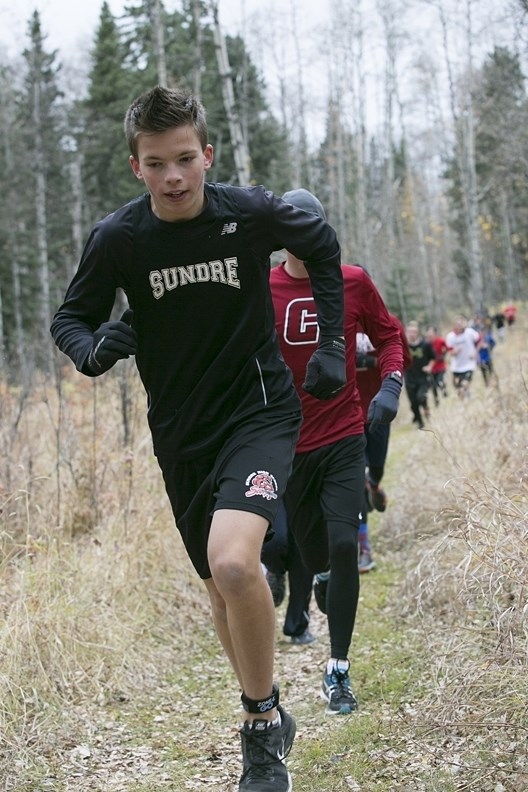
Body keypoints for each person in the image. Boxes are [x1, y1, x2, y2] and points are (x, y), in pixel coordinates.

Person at [50, 86, 349, 792]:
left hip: (259, 411)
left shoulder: (246, 213)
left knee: (237, 565)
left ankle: (257, 733)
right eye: (157, 164)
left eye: (186, 159)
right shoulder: (120, 240)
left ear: (207, 155)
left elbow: (322, 244)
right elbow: (71, 318)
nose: (175, 177)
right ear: (136, 168)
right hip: (181, 433)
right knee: (220, 587)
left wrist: (332, 342)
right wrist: (95, 349)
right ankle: (268, 711)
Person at [270, 189, 405, 715]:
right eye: (294, 228)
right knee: (314, 555)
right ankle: (323, 577)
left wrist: (390, 386)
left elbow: (390, 335)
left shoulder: (351, 281)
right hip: (287, 446)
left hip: (344, 435)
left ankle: (338, 670)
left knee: (346, 544)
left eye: (313, 226)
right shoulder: (261, 288)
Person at [355, 320, 411, 572]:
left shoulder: (387, 323)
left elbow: (403, 362)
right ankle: (363, 548)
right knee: (355, 478)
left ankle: (374, 484)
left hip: (378, 410)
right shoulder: (328, 318)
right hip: (346, 413)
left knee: (375, 468)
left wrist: (370, 362)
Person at [261, 502, 316, 645]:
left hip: (304, 485)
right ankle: (275, 570)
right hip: (272, 485)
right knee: (274, 541)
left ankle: (298, 625)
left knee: (302, 551)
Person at [403, 321, 435, 428]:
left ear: (418, 333)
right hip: (409, 378)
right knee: (413, 403)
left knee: (421, 397)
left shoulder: (425, 345)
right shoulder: (404, 346)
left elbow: (433, 358)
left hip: (422, 378)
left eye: (414, 332)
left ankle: (426, 408)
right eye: (410, 332)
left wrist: (429, 367)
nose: (412, 334)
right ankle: (420, 422)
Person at [445, 316, 481, 400]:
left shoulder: (470, 332)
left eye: (460, 324)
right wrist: (454, 352)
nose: (458, 327)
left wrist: (475, 352)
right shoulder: (450, 336)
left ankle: (469, 399)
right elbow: (449, 351)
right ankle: (465, 399)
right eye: (457, 325)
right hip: (456, 366)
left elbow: (479, 341)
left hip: (469, 363)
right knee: (458, 388)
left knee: (465, 384)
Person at [424, 326, 448, 405]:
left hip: (440, 366)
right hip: (431, 368)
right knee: (433, 385)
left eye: (431, 333)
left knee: (439, 381)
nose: (430, 335)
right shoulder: (426, 344)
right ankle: (436, 401)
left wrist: (443, 355)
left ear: (435, 333)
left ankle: (444, 390)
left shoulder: (440, 340)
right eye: (428, 334)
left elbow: (447, 347)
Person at [477, 320, 497, 386]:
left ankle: (491, 381)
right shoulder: (477, 339)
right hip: (481, 359)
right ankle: (486, 384)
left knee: (491, 371)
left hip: (488, 357)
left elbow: (493, 343)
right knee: (484, 373)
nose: (483, 332)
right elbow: (474, 348)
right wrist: (479, 347)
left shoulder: (488, 337)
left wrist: (489, 346)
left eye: (484, 330)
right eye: (481, 330)